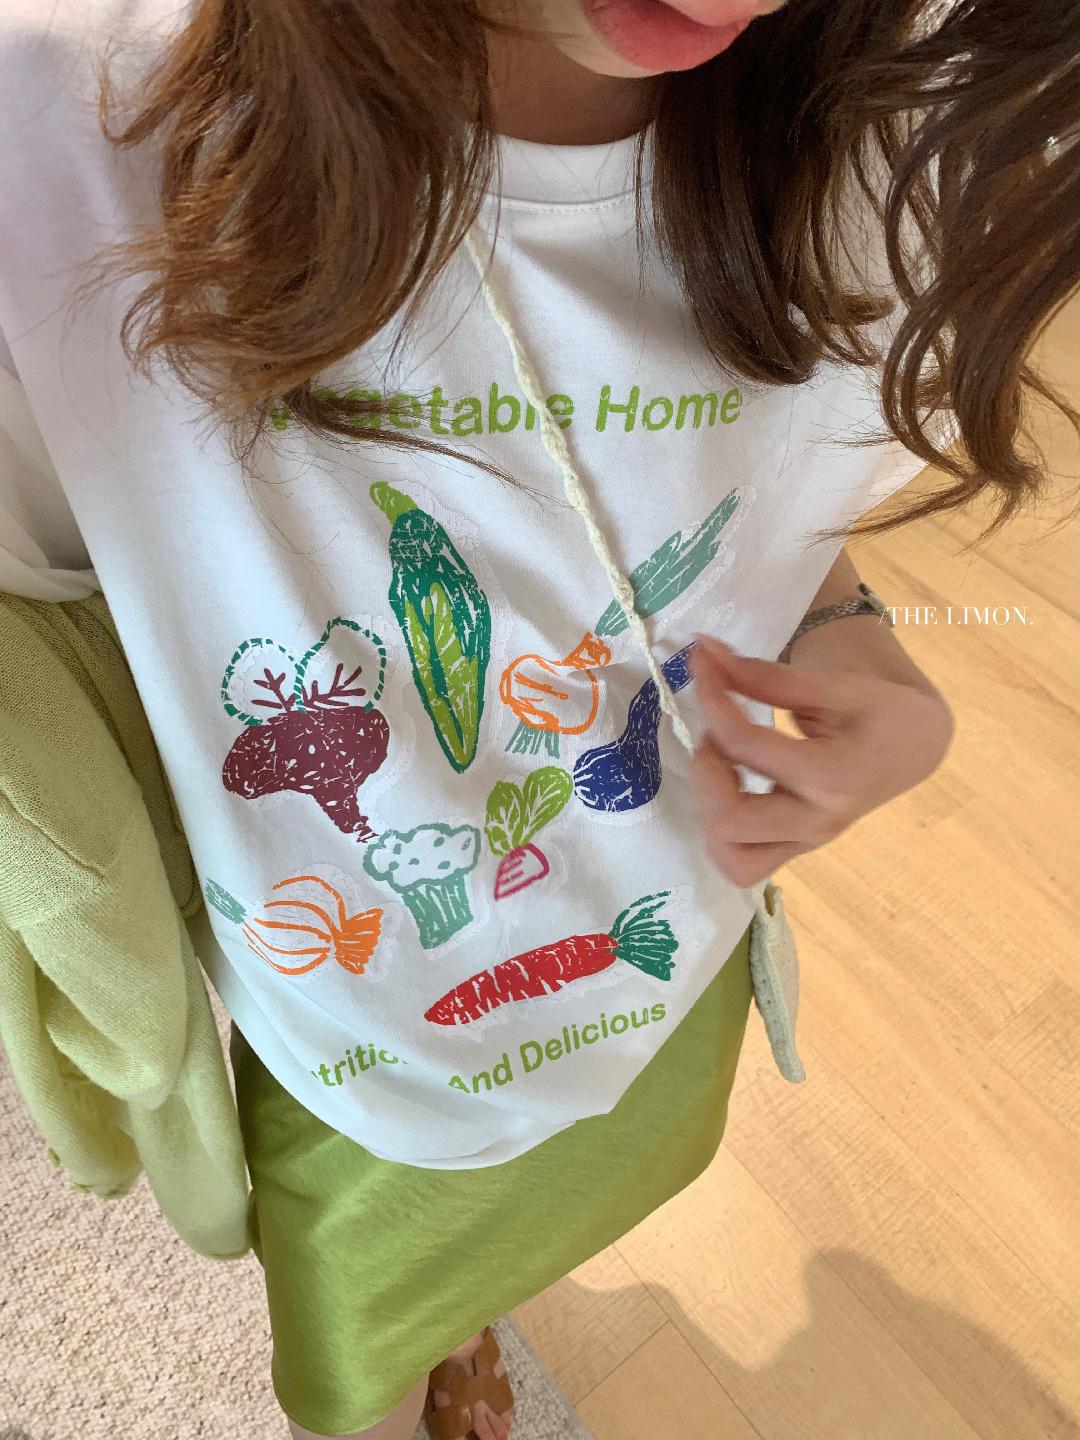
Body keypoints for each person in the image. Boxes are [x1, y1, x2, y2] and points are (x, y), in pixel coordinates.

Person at [1, 1, 1076, 1437]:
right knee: (354, 1364)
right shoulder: (63, 131)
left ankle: (463, 1321)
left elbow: (726, 498)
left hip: (664, 950)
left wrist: (851, 637)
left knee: (554, 1211)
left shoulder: (905, 136)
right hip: (363, 1047)